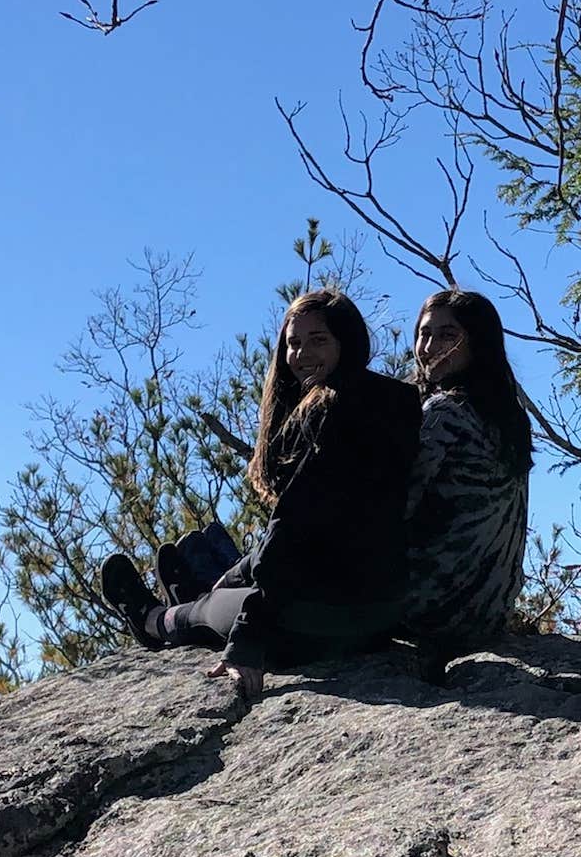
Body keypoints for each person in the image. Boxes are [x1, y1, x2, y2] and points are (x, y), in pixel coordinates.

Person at [100, 289, 420, 687]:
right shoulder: (399, 399)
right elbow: (337, 520)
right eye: (294, 343)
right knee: (229, 590)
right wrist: (238, 573)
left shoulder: (334, 411)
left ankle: (151, 619)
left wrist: (247, 640)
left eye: (318, 340)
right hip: (380, 614)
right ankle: (203, 587)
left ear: (347, 340)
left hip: (323, 627)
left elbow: (294, 527)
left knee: (209, 608)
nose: (302, 354)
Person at [400, 288, 532, 675]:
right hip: (489, 612)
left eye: (446, 335)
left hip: (433, 608)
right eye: (424, 334)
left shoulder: (445, 412)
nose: (428, 347)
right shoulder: (509, 415)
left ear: (478, 342)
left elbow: (394, 508)